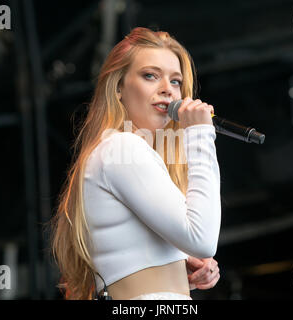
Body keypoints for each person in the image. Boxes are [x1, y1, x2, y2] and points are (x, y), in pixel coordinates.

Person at [50, 27, 221, 300]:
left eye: (176, 81)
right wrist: (200, 136)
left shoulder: (124, 153)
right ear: (118, 88)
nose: (167, 89)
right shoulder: (121, 147)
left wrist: (179, 265)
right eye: (150, 76)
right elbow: (203, 239)